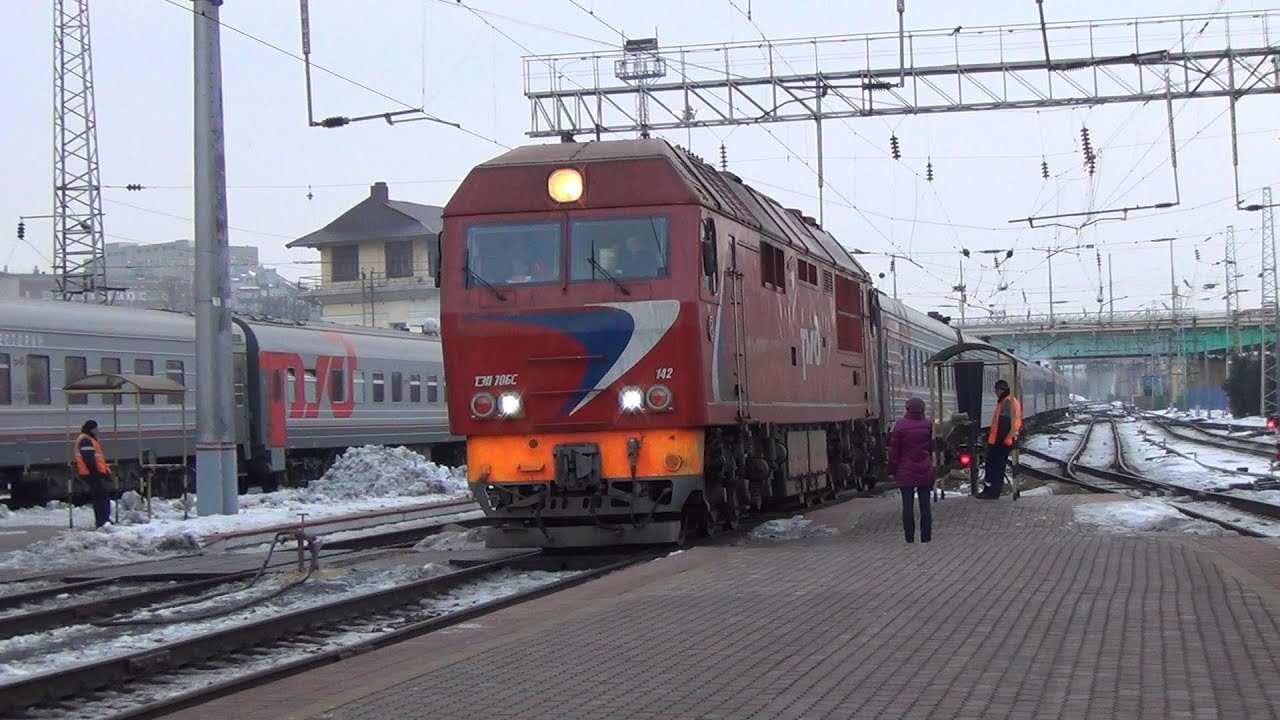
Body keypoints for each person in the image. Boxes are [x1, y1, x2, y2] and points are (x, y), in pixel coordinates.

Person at [887, 397, 934, 543]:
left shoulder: (900, 426)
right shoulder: (928, 425)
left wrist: (892, 469)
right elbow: (930, 448)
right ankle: (926, 538)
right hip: (925, 469)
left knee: (907, 506)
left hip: (905, 470)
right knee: (925, 505)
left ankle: (909, 538)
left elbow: (894, 452)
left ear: (907, 409)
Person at [979, 378, 1022, 499]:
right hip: (1003, 440)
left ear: (999, 390)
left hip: (1002, 442)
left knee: (995, 468)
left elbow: (1004, 423)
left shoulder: (1007, 402)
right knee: (992, 466)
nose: (995, 392)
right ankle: (989, 490)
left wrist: (997, 442)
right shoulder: (1007, 400)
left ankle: (993, 492)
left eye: (996, 390)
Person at [74, 420, 112, 528]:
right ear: (92, 429)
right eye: (96, 429)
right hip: (91, 473)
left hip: (91, 473)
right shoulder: (85, 440)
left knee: (100, 497)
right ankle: (103, 521)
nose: (98, 431)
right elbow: (89, 459)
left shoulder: (87, 438)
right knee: (102, 497)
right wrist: (96, 473)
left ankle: (102, 520)